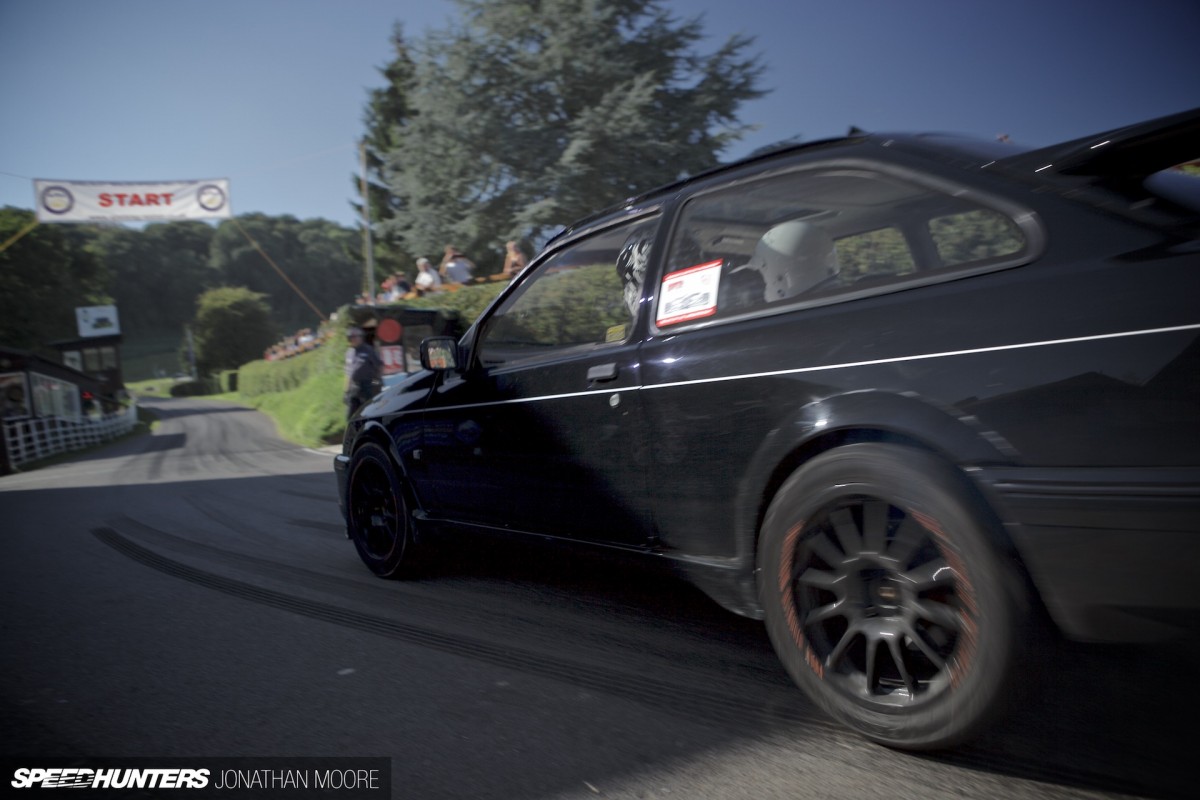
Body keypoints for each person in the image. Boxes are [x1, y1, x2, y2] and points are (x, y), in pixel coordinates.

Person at [344, 326, 382, 419]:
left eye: (355, 337)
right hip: (355, 386)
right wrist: (346, 391)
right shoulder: (349, 352)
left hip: (369, 384)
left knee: (370, 411)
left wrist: (376, 383)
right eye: (351, 338)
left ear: (361, 337)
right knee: (351, 415)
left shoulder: (368, 350)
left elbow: (380, 366)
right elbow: (348, 373)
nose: (353, 339)